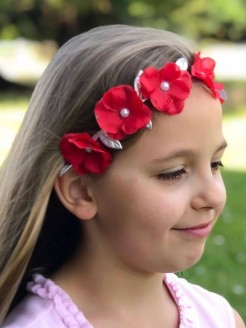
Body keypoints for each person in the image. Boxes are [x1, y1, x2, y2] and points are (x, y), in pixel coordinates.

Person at [0, 24, 244, 328]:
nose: (213, 196)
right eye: (173, 173)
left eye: (215, 164)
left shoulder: (220, 319)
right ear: (81, 192)